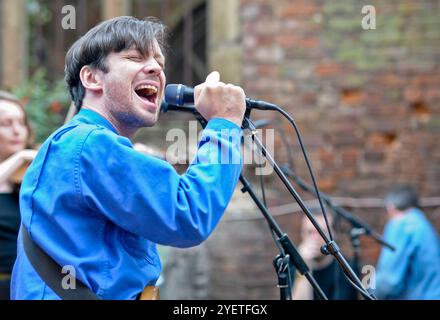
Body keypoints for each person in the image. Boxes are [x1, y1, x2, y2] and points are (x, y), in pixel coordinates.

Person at [11, 16, 246, 300]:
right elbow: (187, 215)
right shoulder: (89, 145)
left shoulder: (86, 145)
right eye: (135, 57)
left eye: (159, 63)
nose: (155, 68)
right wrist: (223, 125)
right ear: (92, 77)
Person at [0, 91, 36, 299]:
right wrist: (20, 157)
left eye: (21, 123)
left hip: (31, 284)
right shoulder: (20, 162)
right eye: (6, 123)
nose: (17, 131)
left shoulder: (31, 173)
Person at [374, 185, 440, 299]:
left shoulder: (401, 224)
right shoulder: (423, 224)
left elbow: (388, 281)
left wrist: (369, 291)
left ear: (391, 207)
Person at [292, 211, 358, 300]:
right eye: (310, 232)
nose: (315, 238)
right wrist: (304, 266)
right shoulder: (292, 266)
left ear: (333, 235)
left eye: (321, 232)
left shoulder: (347, 269)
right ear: (302, 234)